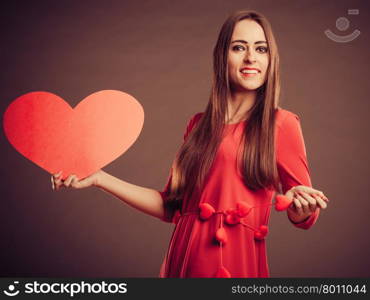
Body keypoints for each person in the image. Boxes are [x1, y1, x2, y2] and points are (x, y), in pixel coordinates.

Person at [51, 10, 329, 278]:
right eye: (238, 47)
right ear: (222, 56)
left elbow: (305, 213)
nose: (250, 58)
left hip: (233, 264)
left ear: (271, 60)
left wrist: (300, 209)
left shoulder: (281, 123)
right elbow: (172, 208)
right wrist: (100, 178)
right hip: (181, 261)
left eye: (261, 49)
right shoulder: (198, 125)